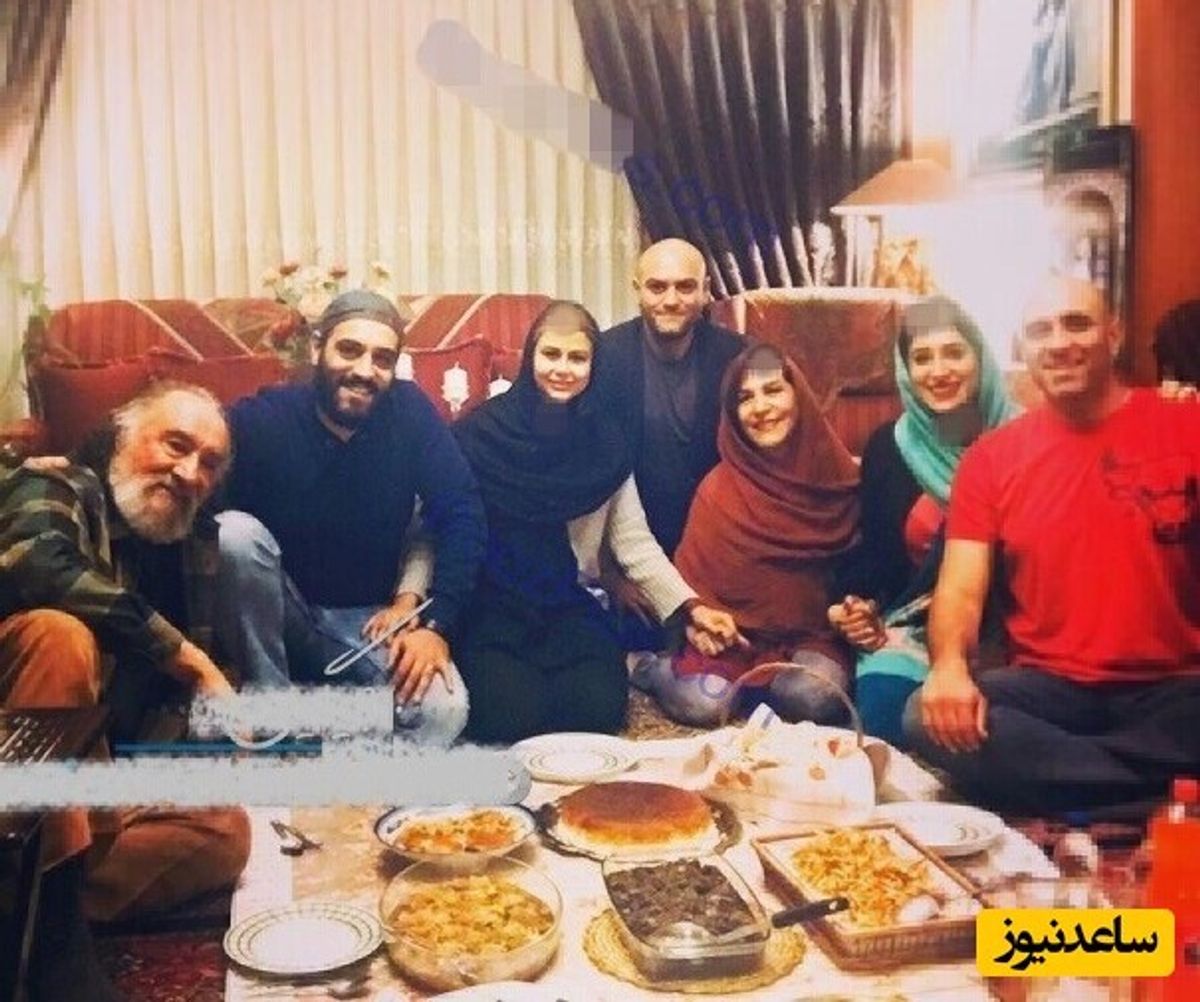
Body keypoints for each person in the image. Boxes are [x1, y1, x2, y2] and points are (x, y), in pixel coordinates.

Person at [903, 274, 1200, 818]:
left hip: (1175, 688)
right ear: (1023, 349)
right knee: (924, 715)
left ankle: (1081, 794)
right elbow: (961, 591)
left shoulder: (1187, 424)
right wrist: (948, 666)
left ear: (1113, 335)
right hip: (1049, 692)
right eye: (1041, 330)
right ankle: (1157, 796)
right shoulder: (990, 460)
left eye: (1077, 324)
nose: (1059, 343)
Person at [0, 383, 251, 1002]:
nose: (188, 473)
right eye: (175, 445)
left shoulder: (193, 549)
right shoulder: (56, 484)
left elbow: (165, 712)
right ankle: (56, 952)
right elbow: (38, 565)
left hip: (80, 790)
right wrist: (186, 658)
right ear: (121, 437)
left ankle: (34, 904)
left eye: (209, 463)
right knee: (60, 636)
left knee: (226, 831)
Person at [452, 300, 743, 743]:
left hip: (568, 602)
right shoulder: (480, 434)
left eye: (577, 357)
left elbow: (634, 542)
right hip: (493, 605)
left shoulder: (607, 442)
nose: (562, 369)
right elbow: (445, 530)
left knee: (598, 708)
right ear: (530, 357)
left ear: (593, 366)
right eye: (551, 354)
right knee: (509, 712)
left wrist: (692, 606)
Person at [217, 290, 487, 747]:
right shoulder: (267, 417)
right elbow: (188, 437)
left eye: (382, 359)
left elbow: (462, 511)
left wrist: (436, 624)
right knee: (233, 534)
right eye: (349, 349)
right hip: (281, 611)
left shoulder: (410, 413)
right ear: (316, 349)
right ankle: (271, 712)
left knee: (444, 711)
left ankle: (326, 754)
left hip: (368, 622)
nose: (365, 370)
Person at [633, 343, 861, 727]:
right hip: (729, 641)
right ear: (732, 414)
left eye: (773, 390)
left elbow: (863, 570)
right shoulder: (717, 490)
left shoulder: (837, 476)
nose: (760, 407)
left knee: (815, 699)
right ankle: (650, 669)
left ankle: (760, 689)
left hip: (811, 637)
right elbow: (691, 586)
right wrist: (694, 625)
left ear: (799, 396)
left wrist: (852, 613)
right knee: (704, 705)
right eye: (745, 398)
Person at [828, 297, 1019, 747]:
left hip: (1013, 631)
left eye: (954, 352)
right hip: (916, 630)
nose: (939, 371)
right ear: (905, 371)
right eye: (922, 358)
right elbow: (878, 558)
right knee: (883, 717)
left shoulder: (1025, 440)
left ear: (980, 358)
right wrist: (855, 609)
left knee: (1002, 721)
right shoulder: (890, 447)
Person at [599, 238, 745, 640]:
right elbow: (592, 473)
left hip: (714, 548)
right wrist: (611, 574)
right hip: (631, 552)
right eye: (657, 287)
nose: (671, 300)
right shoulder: (604, 357)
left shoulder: (737, 357)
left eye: (685, 286)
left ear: (706, 290)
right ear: (637, 289)